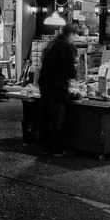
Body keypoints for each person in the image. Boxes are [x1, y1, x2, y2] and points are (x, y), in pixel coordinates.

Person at [38, 23, 79, 157]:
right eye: (75, 35)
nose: (75, 38)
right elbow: (70, 70)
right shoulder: (65, 46)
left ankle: (47, 147)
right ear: (71, 34)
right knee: (57, 117)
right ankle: (57, 149)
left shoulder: (53, 44)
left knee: (47, 115)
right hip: (56, 86)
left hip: (45, 84)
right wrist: (75, 71)